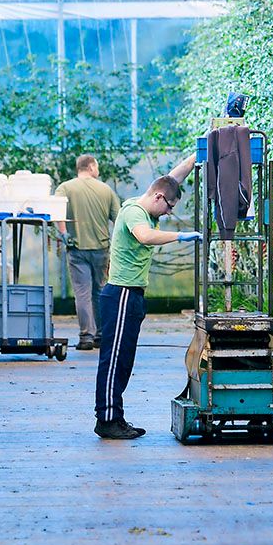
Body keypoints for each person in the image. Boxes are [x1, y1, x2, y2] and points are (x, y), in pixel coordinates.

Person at [94, 153, 201, 440]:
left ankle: (115, 417)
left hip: (133, 295)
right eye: (169, 207)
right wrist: (180, 236)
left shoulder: (153, 200)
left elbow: (173, 179)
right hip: (121, 295)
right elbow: (143, 236)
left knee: (124, 360)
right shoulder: (134, 213)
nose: (169, 213)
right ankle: (106, 419)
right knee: (114, 360)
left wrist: (201, 148)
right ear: (156, 197)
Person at [55, 155, 121, 351]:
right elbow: (119, 220)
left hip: (76, 248)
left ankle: (86, 337)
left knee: (82, 294)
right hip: (101, 249)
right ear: (91, 166)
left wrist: (64, 234)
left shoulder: (65, 188)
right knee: (101, 292)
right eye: (97, 166)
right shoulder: (106, 190)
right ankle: (102, 335)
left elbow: (56, 213)